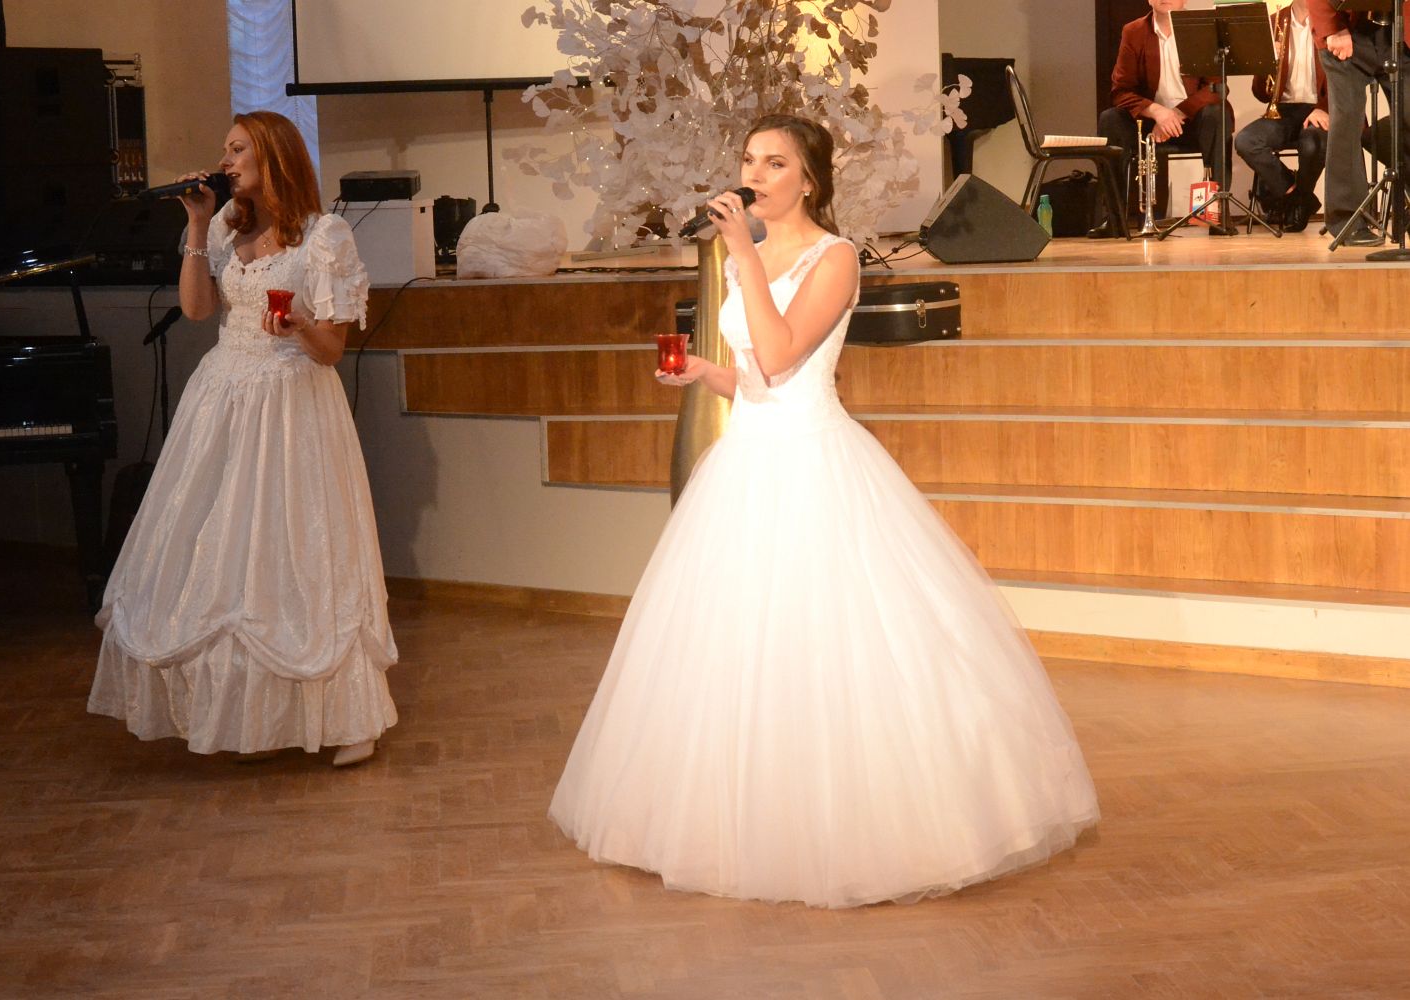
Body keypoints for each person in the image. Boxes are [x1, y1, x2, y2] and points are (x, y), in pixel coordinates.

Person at [548, 114, 1100, 908]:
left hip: (814, 462)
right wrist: (706, 371)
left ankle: (858, 830)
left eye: (775, 163)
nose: (755, 174)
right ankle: (734, 822)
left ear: (809, 180)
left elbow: (781, 357)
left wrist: (741, 256)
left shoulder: (834, 257)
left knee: (832, 645)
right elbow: (755, 379)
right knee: (734, 648)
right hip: (746, 462)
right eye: (749, 159)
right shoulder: (747, 253)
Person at [88, 111, 399, 766]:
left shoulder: (324, 235)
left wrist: (299, 326)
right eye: (225, 150)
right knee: (225, 552)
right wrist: (198, 225)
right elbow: (198, 309)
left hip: (292, 404)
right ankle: (246, 716)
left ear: (272, 155)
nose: (224, 161)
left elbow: (332, 351)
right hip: (223, 396)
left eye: (236, 150)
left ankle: (350, 718)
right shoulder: (229, 226)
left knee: (299, 550)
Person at [1096, 0, 1233, 234]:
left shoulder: (1201, 27)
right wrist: (1156, 111)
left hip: (1193, 120)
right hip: (1150, 121)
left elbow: (1216, 87)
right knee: (1110, 119)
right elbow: (1121, 90)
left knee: (1217, 114)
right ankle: (1115, 218)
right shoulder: (1134, 31)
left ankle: (1219, 213)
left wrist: (1176, 114)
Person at [1307, 0, 1410, 244]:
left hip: (1398, 28)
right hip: (1347, 27)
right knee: (1347, 123)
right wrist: (1331, 28)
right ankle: (1347, 220)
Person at [1237, 0, 1328, 232]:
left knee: (1312, 142)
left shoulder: (1330, 19)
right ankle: (1299, 198)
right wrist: (1266, 60)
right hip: (1284, 110)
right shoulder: (1272, 23)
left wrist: (1324, 108)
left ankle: (1297, 204)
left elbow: (1346, 76)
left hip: (1320, 107)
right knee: (1246, 141)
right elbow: (1260, 92)